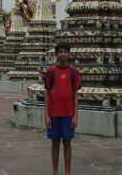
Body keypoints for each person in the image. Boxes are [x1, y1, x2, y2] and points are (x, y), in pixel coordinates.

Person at [44, 42, 81, 175]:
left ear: (69, 54)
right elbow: (47, 93)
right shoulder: (51, 72)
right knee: (54, 143)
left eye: (65, 51)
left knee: (67, 143)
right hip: (53, 113)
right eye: (60, 52)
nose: (63, 54)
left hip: (68, 114)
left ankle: (67, 172)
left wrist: (76, 115)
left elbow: (75, 94)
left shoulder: (74, 72)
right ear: (56, 54)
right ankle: (55, 171)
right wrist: (46, 115)